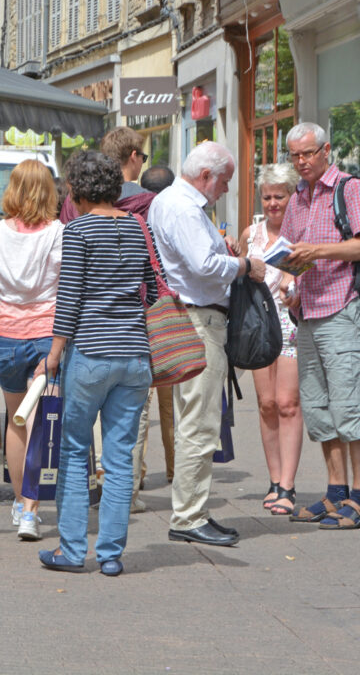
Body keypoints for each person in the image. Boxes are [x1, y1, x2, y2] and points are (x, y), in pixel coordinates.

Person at [37, 151, 160, 576]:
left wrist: (53, 353)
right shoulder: (139, 226)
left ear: (76, 190)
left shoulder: (79, 230)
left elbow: (69, 298)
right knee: (121, 456)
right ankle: (110, 554)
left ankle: (72, 551)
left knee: (74, 451)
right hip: (135, 356)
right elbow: (154, 290)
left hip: (90, 353)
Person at [148, 141, 266, 548]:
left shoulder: (174, 202)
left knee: (193, 421)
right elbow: (202, 266)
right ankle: (189, 515)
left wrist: (222, 247)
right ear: (206, 177)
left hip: (195, 317)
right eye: (225, 181)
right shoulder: (182, 206)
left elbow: (197, 258)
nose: (227, 190)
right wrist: (244, 264)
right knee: (198, 424)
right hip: (199, 321)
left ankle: (192, 511)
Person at [0, 160, 63, 542]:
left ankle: (21, 503)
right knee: (38, 423)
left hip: (5, 336)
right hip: (46, 339)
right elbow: (68, 285)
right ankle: (32, 511)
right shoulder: (57, 233)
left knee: (15, 422)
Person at [280, 122, 360, 528]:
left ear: (326, 149)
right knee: (318, 408)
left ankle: (359, 497)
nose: (301, 161)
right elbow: (294, 253)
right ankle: (335, 493)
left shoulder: (348, 188)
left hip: (342, 309)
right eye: (295, 155)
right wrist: (290, 281)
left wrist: (321, 249)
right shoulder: (297, 196)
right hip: (307, 311)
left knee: (350, 407)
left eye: (308, 153)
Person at [238, 162, 303, 516]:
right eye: (267, 196)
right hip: (258, 325)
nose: (273, 202)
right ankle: (275, 479)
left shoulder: (302, 232)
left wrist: (297, 288)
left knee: (287, 403)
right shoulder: (252, 233)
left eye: (280, 196)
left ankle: (289, 485)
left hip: (291, 321)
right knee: (265, 404)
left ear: (292, 196)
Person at [60, 127, 154, 222]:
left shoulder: (77, 196)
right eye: (143, 158)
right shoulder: (148, 202)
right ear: (133, 156)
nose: (142, 162)